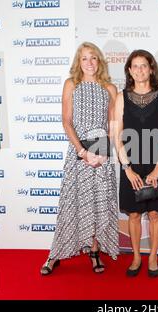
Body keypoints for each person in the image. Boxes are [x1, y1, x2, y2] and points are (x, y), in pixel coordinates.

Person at [40, 42, 119, 275]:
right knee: (71, 204)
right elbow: (66, 121)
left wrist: (103, 153)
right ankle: (55, 254)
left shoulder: (110, 88)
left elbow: (113, 124)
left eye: (93, 58)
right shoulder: (71, 84)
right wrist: (82, 152)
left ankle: (94, 251)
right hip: (79, 153)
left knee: (98, 203)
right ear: (79, 62)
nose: (90, 63)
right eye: (85, 58)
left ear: (100, 61)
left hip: (102, 156)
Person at [114, 49, 158, 278]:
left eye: (144, 65)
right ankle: (136, 257)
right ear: (129, 71)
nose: (139, 70)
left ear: (151, 68)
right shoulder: (121, 97)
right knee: (132, 214)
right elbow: (117, 135)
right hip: (131, 164)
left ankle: (152, 257)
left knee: (154, 214)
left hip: (157, 162)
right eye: (135, 66)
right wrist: (127, 168)